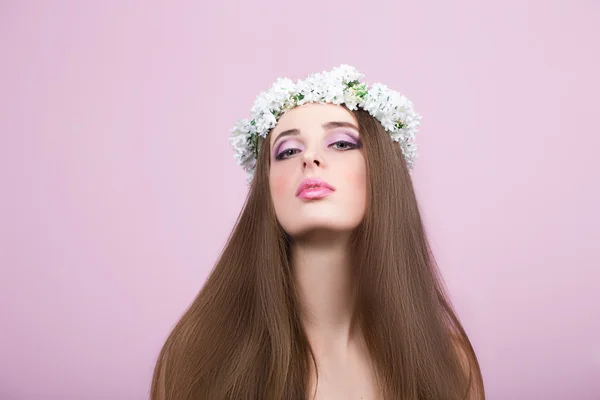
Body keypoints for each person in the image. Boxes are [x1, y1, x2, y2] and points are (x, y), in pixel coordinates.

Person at [150, 65, 485, 399]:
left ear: (384, 170)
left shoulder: (450, 364)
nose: (309, 158)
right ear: (266, 188)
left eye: (340, 143)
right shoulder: (195, 358)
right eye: (288, 151)